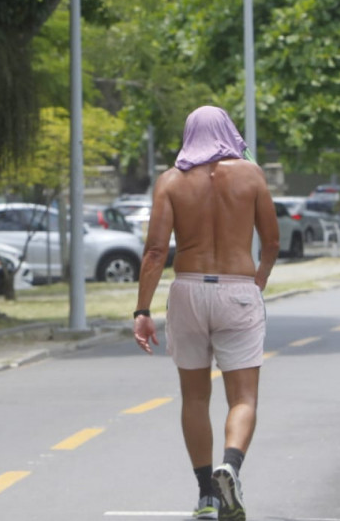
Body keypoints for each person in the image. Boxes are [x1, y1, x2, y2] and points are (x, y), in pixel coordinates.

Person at [133, 106, 281, 521]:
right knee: (244, 397)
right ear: (229, 132)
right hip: (237, 289)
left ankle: (205, 496)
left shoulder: (170, 181)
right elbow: (271, 241)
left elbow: (156, 252)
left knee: (195, 397)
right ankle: (229, 467)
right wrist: (258, 282)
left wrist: (142, 309)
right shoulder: (252, 175)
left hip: (188, 291)